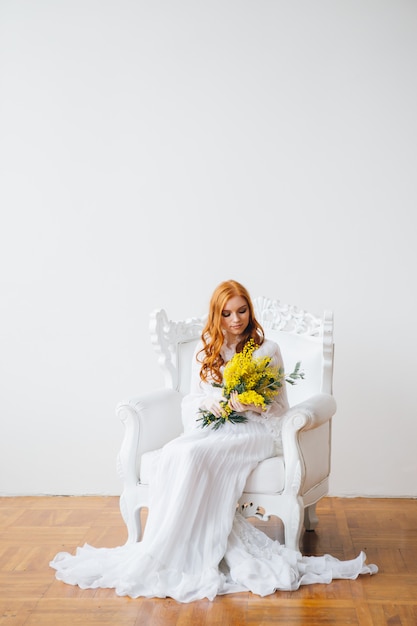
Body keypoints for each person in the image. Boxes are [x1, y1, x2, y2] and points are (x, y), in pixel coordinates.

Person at [50, 279, 377, 603]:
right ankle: (166, 546)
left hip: (255, 432)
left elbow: (279, 407)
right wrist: (214, 404)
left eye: (242, 311)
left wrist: (251, 403)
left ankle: (189, 549)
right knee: (177, 451)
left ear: (250, 310)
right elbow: (191, 401)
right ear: (216, 316)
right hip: (215, 427)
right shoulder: (205, 347)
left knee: (192, 455)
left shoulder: (267, 351)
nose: (236, 320)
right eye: (227, 313)